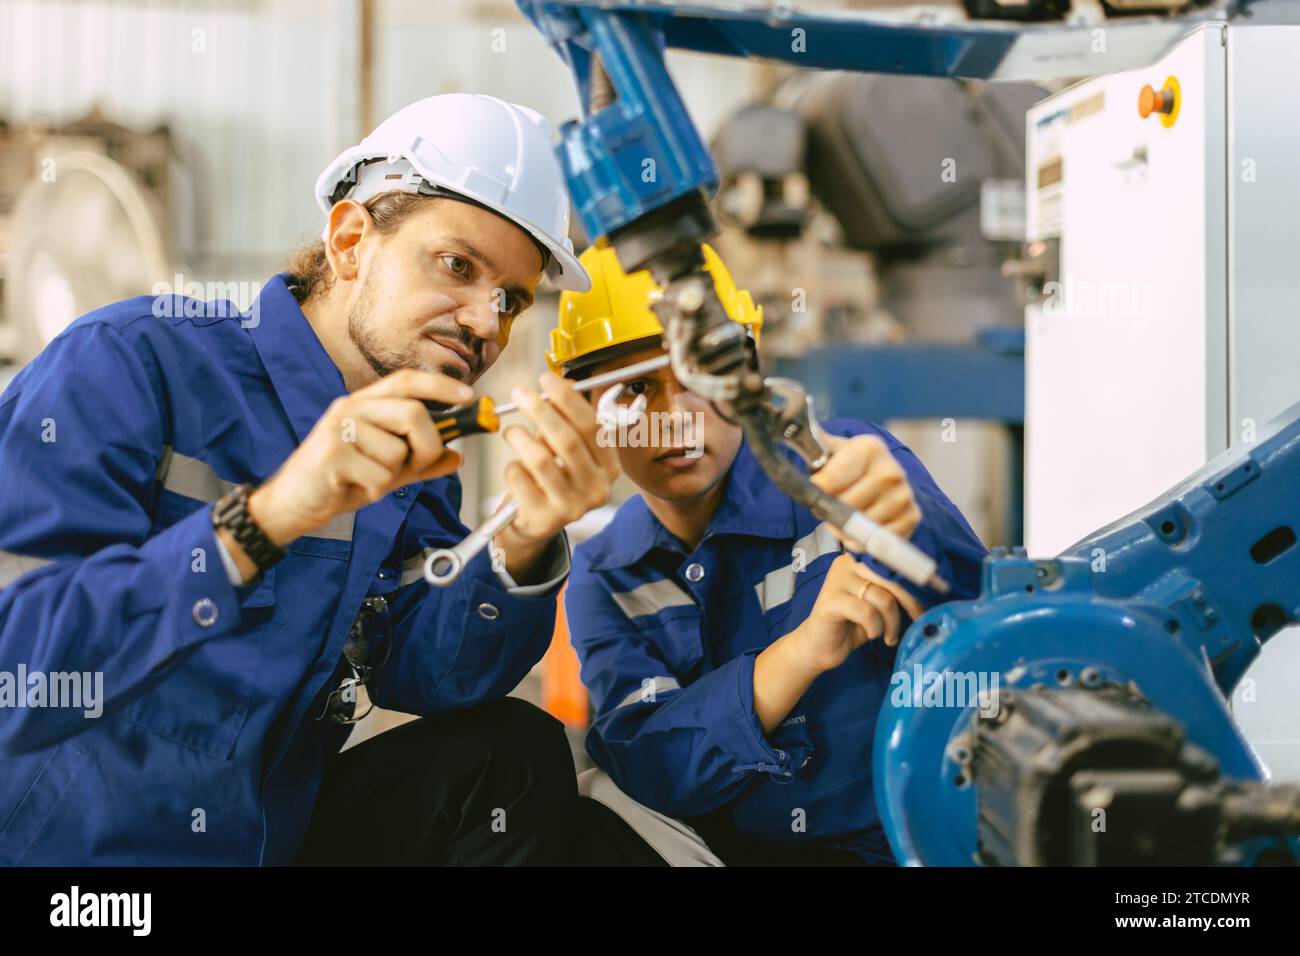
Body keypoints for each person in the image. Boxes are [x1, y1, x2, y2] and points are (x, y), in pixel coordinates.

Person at [0, 94, 619, 865]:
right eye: (458, 266)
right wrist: (273, 515)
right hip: (82, 863)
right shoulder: (129, 363)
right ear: (351, 239)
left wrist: (524, 539)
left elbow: (433, 674)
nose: (487, 324)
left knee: (512, 756)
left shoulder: (413, 454)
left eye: (513, 299)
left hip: (265, 841)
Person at [552, 242, 988, 865]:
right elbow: (651, 763)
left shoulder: (844, 469)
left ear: (747, 372)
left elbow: (985, 635)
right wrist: (800, 653)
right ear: (588, 411)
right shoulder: (605, 574)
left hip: (913, 846)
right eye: (635, 390)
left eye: (701, 373)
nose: (675, 416)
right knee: (594, 799)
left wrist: (912, 535)